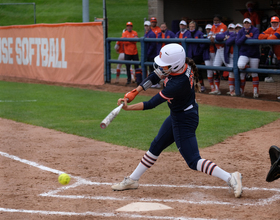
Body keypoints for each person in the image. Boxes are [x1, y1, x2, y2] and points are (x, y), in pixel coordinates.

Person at [111, 43, 243, 198]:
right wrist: (135, 92)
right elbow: (155, 75)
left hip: (184, 119)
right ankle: (133, 179)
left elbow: (151, 104)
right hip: (178, 114)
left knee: (193, 161)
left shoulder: (178, 83)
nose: (162, 68)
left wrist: (128, 108)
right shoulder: (180, 66)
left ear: (174, 65)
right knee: (156, 145)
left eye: (165, 66)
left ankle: (230, 177)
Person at [236, 18, 260, 98]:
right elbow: (237, 42)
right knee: (241, 66)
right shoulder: (241, 31)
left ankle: (255, 92)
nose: (246, 24)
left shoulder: (255, 29)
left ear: (250, 24)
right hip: (244, 53)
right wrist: (245, 37)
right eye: (245, 23)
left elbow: (255, 39)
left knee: (254, 73)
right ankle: (242, 91)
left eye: (248, 23)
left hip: (254, 54)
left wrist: (246, 40)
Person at [215, 23, 237, 96]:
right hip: (225, 53)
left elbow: (229, 41)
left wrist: (229, 37)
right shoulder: (226, 33)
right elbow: (217, 36)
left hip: (232, 54)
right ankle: (217, 89)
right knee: (215, 68)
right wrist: (225, 36)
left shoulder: (237, 34)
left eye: (232, 29)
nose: (231, 30)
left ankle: (232, 90)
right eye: (230, 28)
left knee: (232, 71)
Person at [208, 15, 228, 94]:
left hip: (224, 49)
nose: (215, 22)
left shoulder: (224, 26)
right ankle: (217, 89)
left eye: (217, 20)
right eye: (214, 20)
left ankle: (234, 89)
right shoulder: (213, 26)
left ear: (220, 20)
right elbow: (209, 35)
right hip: (218, 50)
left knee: (230, 68)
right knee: (215, 67)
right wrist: (214, 36)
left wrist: (214, 36)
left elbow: (222, 37)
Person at [187, 20, 206, 92]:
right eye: (190, 26)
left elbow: (203, 44)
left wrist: (199, 52)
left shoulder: (199, 33)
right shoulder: (187, 33)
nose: (191, 28)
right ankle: (191, 85)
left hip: (198, 55)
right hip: (190, 54)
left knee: (198, 70)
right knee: (189, 70)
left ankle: (202, 86)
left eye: (193, 26)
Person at [143, 21, 159, 88]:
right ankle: (153, 82)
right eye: (145, 26)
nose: (146, 27)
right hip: (149, 54)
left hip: (152, 54)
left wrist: (148, 53)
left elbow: (152, 45)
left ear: (150, 26)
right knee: (151, 68)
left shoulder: (151, 34)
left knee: (153, 69)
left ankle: (156, 82)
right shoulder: (146, 33)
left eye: (147, 26)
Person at [202, 24, 216, 93]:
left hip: (215, 54)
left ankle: (217, 88)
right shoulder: (203, 36)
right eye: (207, 29)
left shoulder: (215, 35)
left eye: (209, 29)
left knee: (216, 70)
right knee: (209, 71)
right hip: (207, 55)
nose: (208, 30)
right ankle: (212, 87)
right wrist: (207, 39)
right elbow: (202, 46)